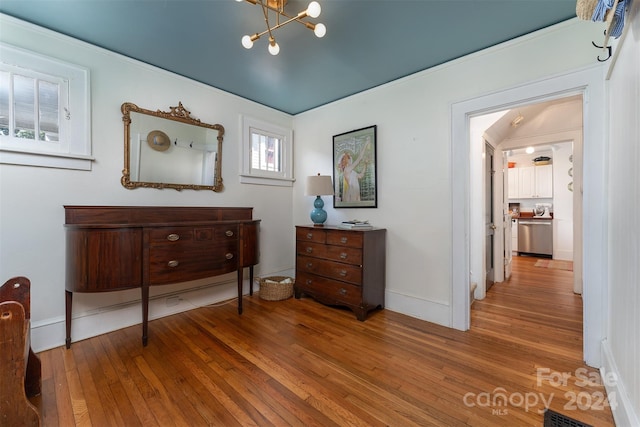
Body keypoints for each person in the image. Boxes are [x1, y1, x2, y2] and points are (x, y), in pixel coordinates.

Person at [338, 137, 371, 202]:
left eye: (349, 158)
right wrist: (365, 144)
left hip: (355, 193)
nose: (350, 159)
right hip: (351, 194)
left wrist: (365, 164)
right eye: (348, 158)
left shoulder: (351, 171)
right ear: (346, 161)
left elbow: (361, 175)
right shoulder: (347, 169)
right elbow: (359, 159)